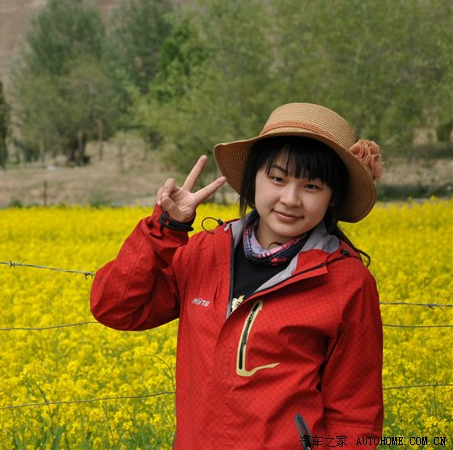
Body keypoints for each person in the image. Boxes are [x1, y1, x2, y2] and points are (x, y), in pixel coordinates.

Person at [90, 103, 384, 449]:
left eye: (311, 186)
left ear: (332, 197)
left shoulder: (346, 282)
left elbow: (355, 415)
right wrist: (165, 229)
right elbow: (116, 308)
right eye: (277, 179)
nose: (290, 199)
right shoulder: (205, 253)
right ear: (252, 179)